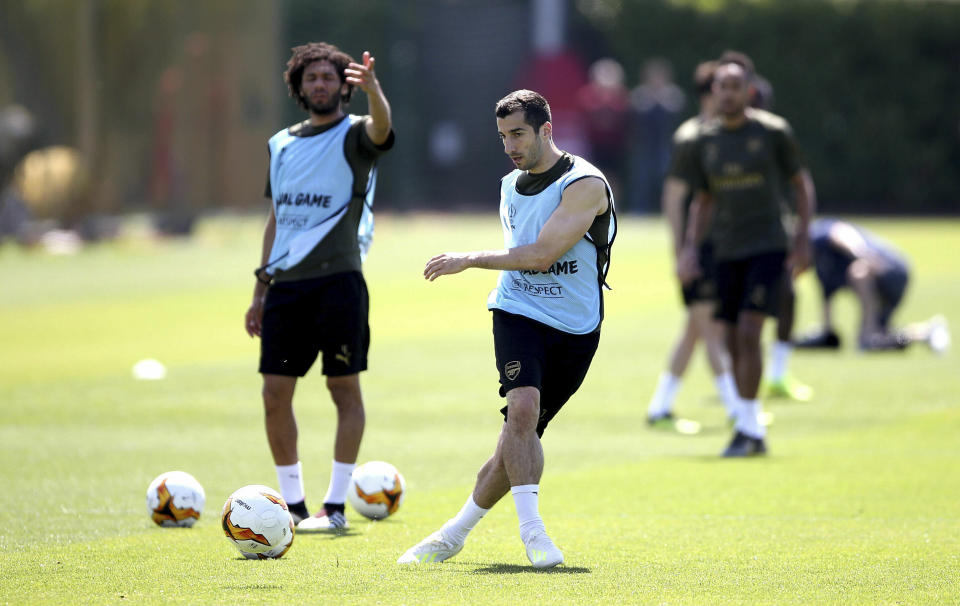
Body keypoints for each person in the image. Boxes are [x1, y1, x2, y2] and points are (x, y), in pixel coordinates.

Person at [398, 89, 615, 568]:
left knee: (516, 441)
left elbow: (540, 255)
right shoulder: (509, 185)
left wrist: (469, 259)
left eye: (518, 133)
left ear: (546, 131)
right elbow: (522, 263)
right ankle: (534, 534)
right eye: (502, 137)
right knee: (522, 411)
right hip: (517, 310)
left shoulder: (585, 184)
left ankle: (453, 534)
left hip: (576, 327)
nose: (510, 145)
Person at [244, 42, 394, 531]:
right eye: (312, 78)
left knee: (342, 387)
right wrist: (261, 287)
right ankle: (292, 506)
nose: (321, 85)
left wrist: (375, 92)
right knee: (274, 393)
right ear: (299, 87)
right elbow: (276, 219)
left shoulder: (354, 136)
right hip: (287, 290)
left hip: (338, 284)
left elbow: (382, 129)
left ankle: (333, 507)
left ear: (343, 86)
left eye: (329, 77)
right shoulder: (280, 144)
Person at [678, 54, 814, 457]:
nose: (727, 93)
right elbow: (702, 200)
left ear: (749, 91)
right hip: (726, 249)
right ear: (714, 91)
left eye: (735, 86)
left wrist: (802, 238)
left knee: (752, 331)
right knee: (733, 339)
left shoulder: (773, 133)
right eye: (721, 86)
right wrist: (689, 249)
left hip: (769, 244)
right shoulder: (705, 140)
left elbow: (801, 184)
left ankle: (751, 428)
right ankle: (747, 425)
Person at [646, 60, 740, 433]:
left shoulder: (728, 134)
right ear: (708, 94)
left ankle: (660, 407)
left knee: (697, 329)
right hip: (697, 248)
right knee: (709, 326)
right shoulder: (693, 137)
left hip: (724, 246)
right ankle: (738, 410)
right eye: (722, 89)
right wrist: (680, 248)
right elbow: (674, 196)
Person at [795, 218, 950, 353]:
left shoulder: (815, 235)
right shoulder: (822, 271)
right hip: (879, 286)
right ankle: (924, 333)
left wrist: (865, 255)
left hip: (892, 271)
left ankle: (868, 331)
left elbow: (841, 232)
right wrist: (824, 333)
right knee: (880, 340)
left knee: (858, 272)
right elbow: (827, 311)